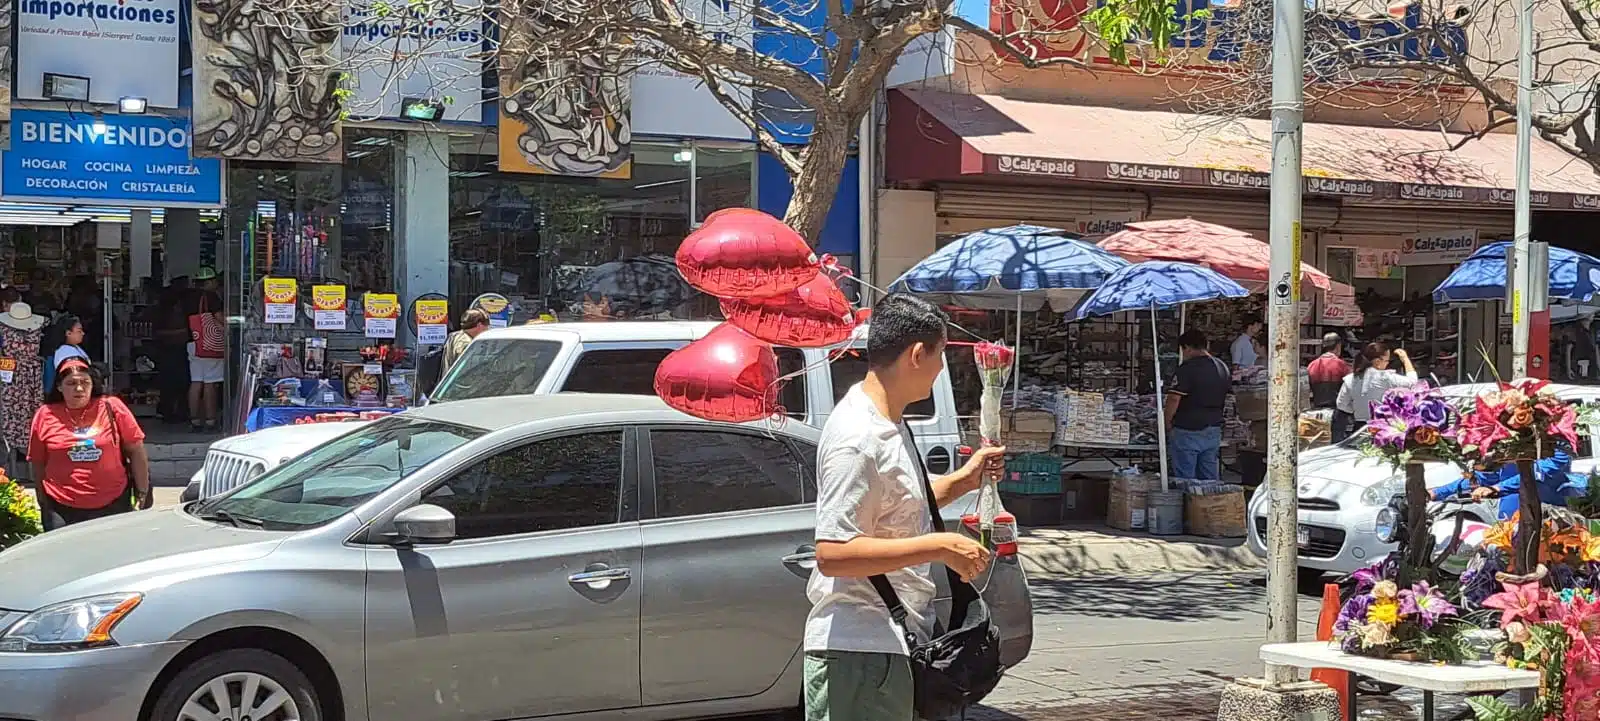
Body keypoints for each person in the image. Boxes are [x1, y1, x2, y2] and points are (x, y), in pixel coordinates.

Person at [805, 293, 1002, 721]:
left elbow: (898, 506)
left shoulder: (890, 422)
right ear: (917, 354)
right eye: (941, 355)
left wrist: (963, 481)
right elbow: (833, 553)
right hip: (859, 650)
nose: (941, 369)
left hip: (892, 646)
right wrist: (939, 546)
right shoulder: (858, 437)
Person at [29, 358, 152, 529]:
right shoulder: (45, 414)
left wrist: (142, 492)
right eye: (71, 383)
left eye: (85, 382)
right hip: (61, 505)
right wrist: (43, 501)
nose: (79, 388)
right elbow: (38, 462)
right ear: (59, 386)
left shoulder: (112, 407)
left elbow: (136, 450)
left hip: (113, 502)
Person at [1432, 448, 1589, 520]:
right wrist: (1438, 492)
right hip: (1509, 522)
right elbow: (1483, 478)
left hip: (1548, 519)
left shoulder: (1557, 451)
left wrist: (1496, 488)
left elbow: (1533, 474)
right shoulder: (1512, 450)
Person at [1165, 330, 1232, 481]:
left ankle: (1190, 504)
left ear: (1187, 347)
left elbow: (1174, 398)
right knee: (1209, 478)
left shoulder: (1187, 368)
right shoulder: (1222, 367)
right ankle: (1209, 504)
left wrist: (1167, 422)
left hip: (1187, 428)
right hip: (1213, 427)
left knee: (1186, 480)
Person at [1335, 342, 1418, 439]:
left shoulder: (1350, 379)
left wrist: (1358, 408)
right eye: (1387, 361)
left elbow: (1342, 404)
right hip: (1381, 429)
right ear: (1378, 362)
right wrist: (1405, 359)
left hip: (1358, 430)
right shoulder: (1385, 377)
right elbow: (1413, 382)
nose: (1387, 364)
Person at [186, 268, 225, 432]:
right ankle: (210, 420)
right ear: (209, 282)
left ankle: (194, 420)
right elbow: (219, 318)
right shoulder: (211, 297)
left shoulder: (188, 297)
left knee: (196, 382)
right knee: (210, 383)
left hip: (193, 343)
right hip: (210, 344)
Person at [39, 315, 89, 395]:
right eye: (79, 331)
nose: (83, 333)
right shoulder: (65, 352)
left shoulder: (75, 347)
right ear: (68, 333)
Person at [1307, 332, 1352, 410]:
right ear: (1338, 346)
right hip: (1337, 411)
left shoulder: (1311, 365)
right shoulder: (1342, 365)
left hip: (1316, 410)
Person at [442, 309, 491, 373]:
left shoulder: (454, 336)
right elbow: (466, 371)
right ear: (479, 325)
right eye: (487, 326)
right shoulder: (466, 344)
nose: (487, 329)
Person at [1567, 314, 1599, 382]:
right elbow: (1569, 349)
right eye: (1591, 313)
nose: (1593, 314)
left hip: (1591, 367)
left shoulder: (1593, 331)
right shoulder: (1576, 330)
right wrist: (1568, 368)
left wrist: (1598, 367)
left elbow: (1596, 350)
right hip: (1578, 365)